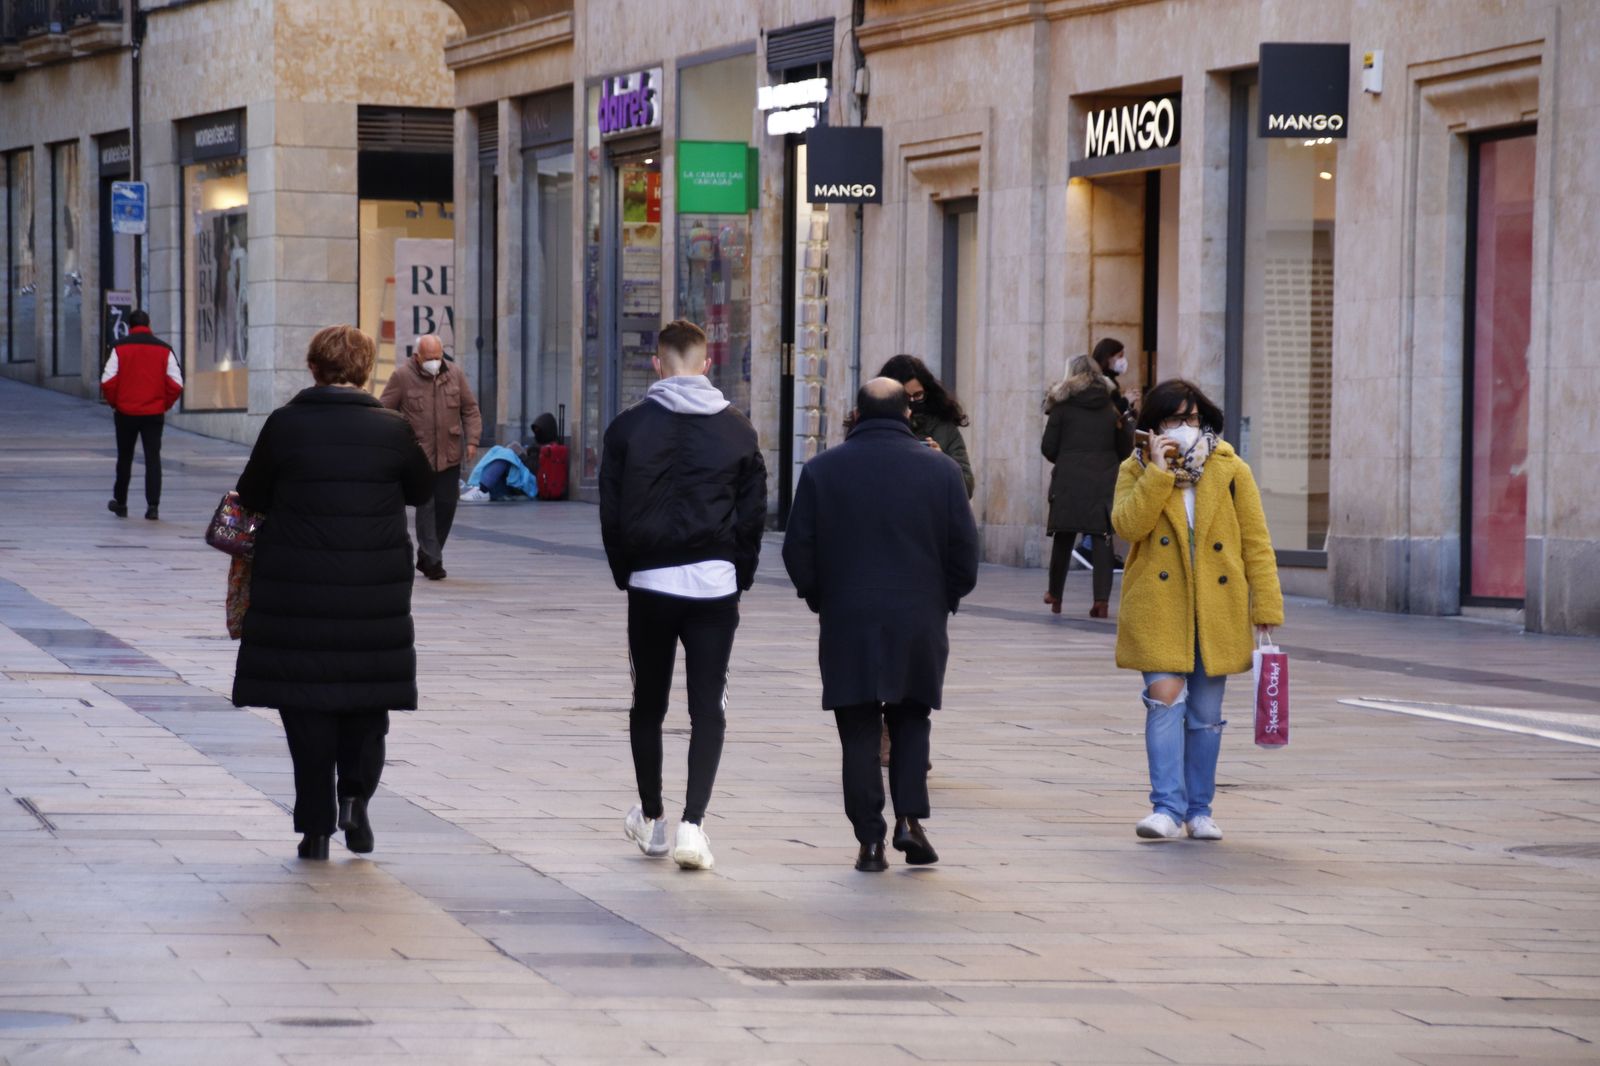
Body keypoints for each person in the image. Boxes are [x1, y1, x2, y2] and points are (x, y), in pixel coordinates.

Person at [231, 325, 433, 860]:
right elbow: (422, 489)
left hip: (296, 594)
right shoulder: (392, 429)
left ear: (313, 368)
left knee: (306, 710)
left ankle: (316, 828)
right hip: (372, 594)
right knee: (367, 705)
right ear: (366, 371)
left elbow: (251, 494)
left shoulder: (284, 425)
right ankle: (355, 799)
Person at [782, 378, 979, 872]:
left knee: (858, 726)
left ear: (856, 413)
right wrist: (944, 600)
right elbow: (965, 556)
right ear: (908, 414)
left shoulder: (823, 470)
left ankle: (869, 841)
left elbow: (797, 549)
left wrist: (820, 598)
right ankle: (909, 820)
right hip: (918, 615)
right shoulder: (942, 471)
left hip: (848, 615)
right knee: (912, 717)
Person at [600, 319, 767, 872]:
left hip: (650, 583)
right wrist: (737, 572)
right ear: (706, 363)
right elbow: (752, 515)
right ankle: (694, 825)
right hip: (714, 585)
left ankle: (652, 819)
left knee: (647, 702)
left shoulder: (627, 428)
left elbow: (611, 511)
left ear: (656, 363)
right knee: (708, 705)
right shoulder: (738, 430)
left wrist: (627, 571)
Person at [1111, 379, 1283, 842]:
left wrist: (1266, 603)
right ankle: (1166, 807)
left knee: (1205, 715)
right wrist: (1157, 471)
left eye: (1191, 419)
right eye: (1173, 420)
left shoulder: (1230, 468)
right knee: (1164, 702)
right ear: (1154, 426)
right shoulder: (1136, 469)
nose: (1185, 428)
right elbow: (1127, 526)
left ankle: (1199, 809)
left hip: (1216, 606)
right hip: (1158, 606)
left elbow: (1256, 542)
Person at [380, 335, 482, 580]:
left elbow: (470, 409)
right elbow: (384, 410)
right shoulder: (402, 377)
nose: (435, 362)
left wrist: (472, 440)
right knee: (427, 508)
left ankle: (428, 556)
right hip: (419, 456)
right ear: (418, 357)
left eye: (438, 357)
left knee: (446, 506)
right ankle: (434, 561)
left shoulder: (455, 374)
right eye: (429, 358)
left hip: (449, 453)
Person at [1042, 354, 1132, 618]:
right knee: (1103, 537)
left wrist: (1067, 457)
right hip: (1104, 479)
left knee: (1063, 536)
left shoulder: (1061, 407)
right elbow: (1123, 448)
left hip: (1069, 479)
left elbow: (1048, 447)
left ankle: (1055, 595)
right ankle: (1101, 601)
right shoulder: (1110, 407)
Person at [100, 310, 183, 520]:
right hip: (154, 413)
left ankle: (121, 502)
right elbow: (176, 383)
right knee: (152, 458)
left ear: (129, 326)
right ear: (149, 324)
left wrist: (115, 403)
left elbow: (107, 381)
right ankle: (153, 506)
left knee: (125, 457)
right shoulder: (165, 349)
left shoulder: (119, 348)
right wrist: (163, 403)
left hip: (125, 412)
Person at [878, 354, 975, 499]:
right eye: (904, 397)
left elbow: (966, 487)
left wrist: (942, 462)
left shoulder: (942, 426)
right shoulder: (874, 424)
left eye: (918, 395)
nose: (911, 403)